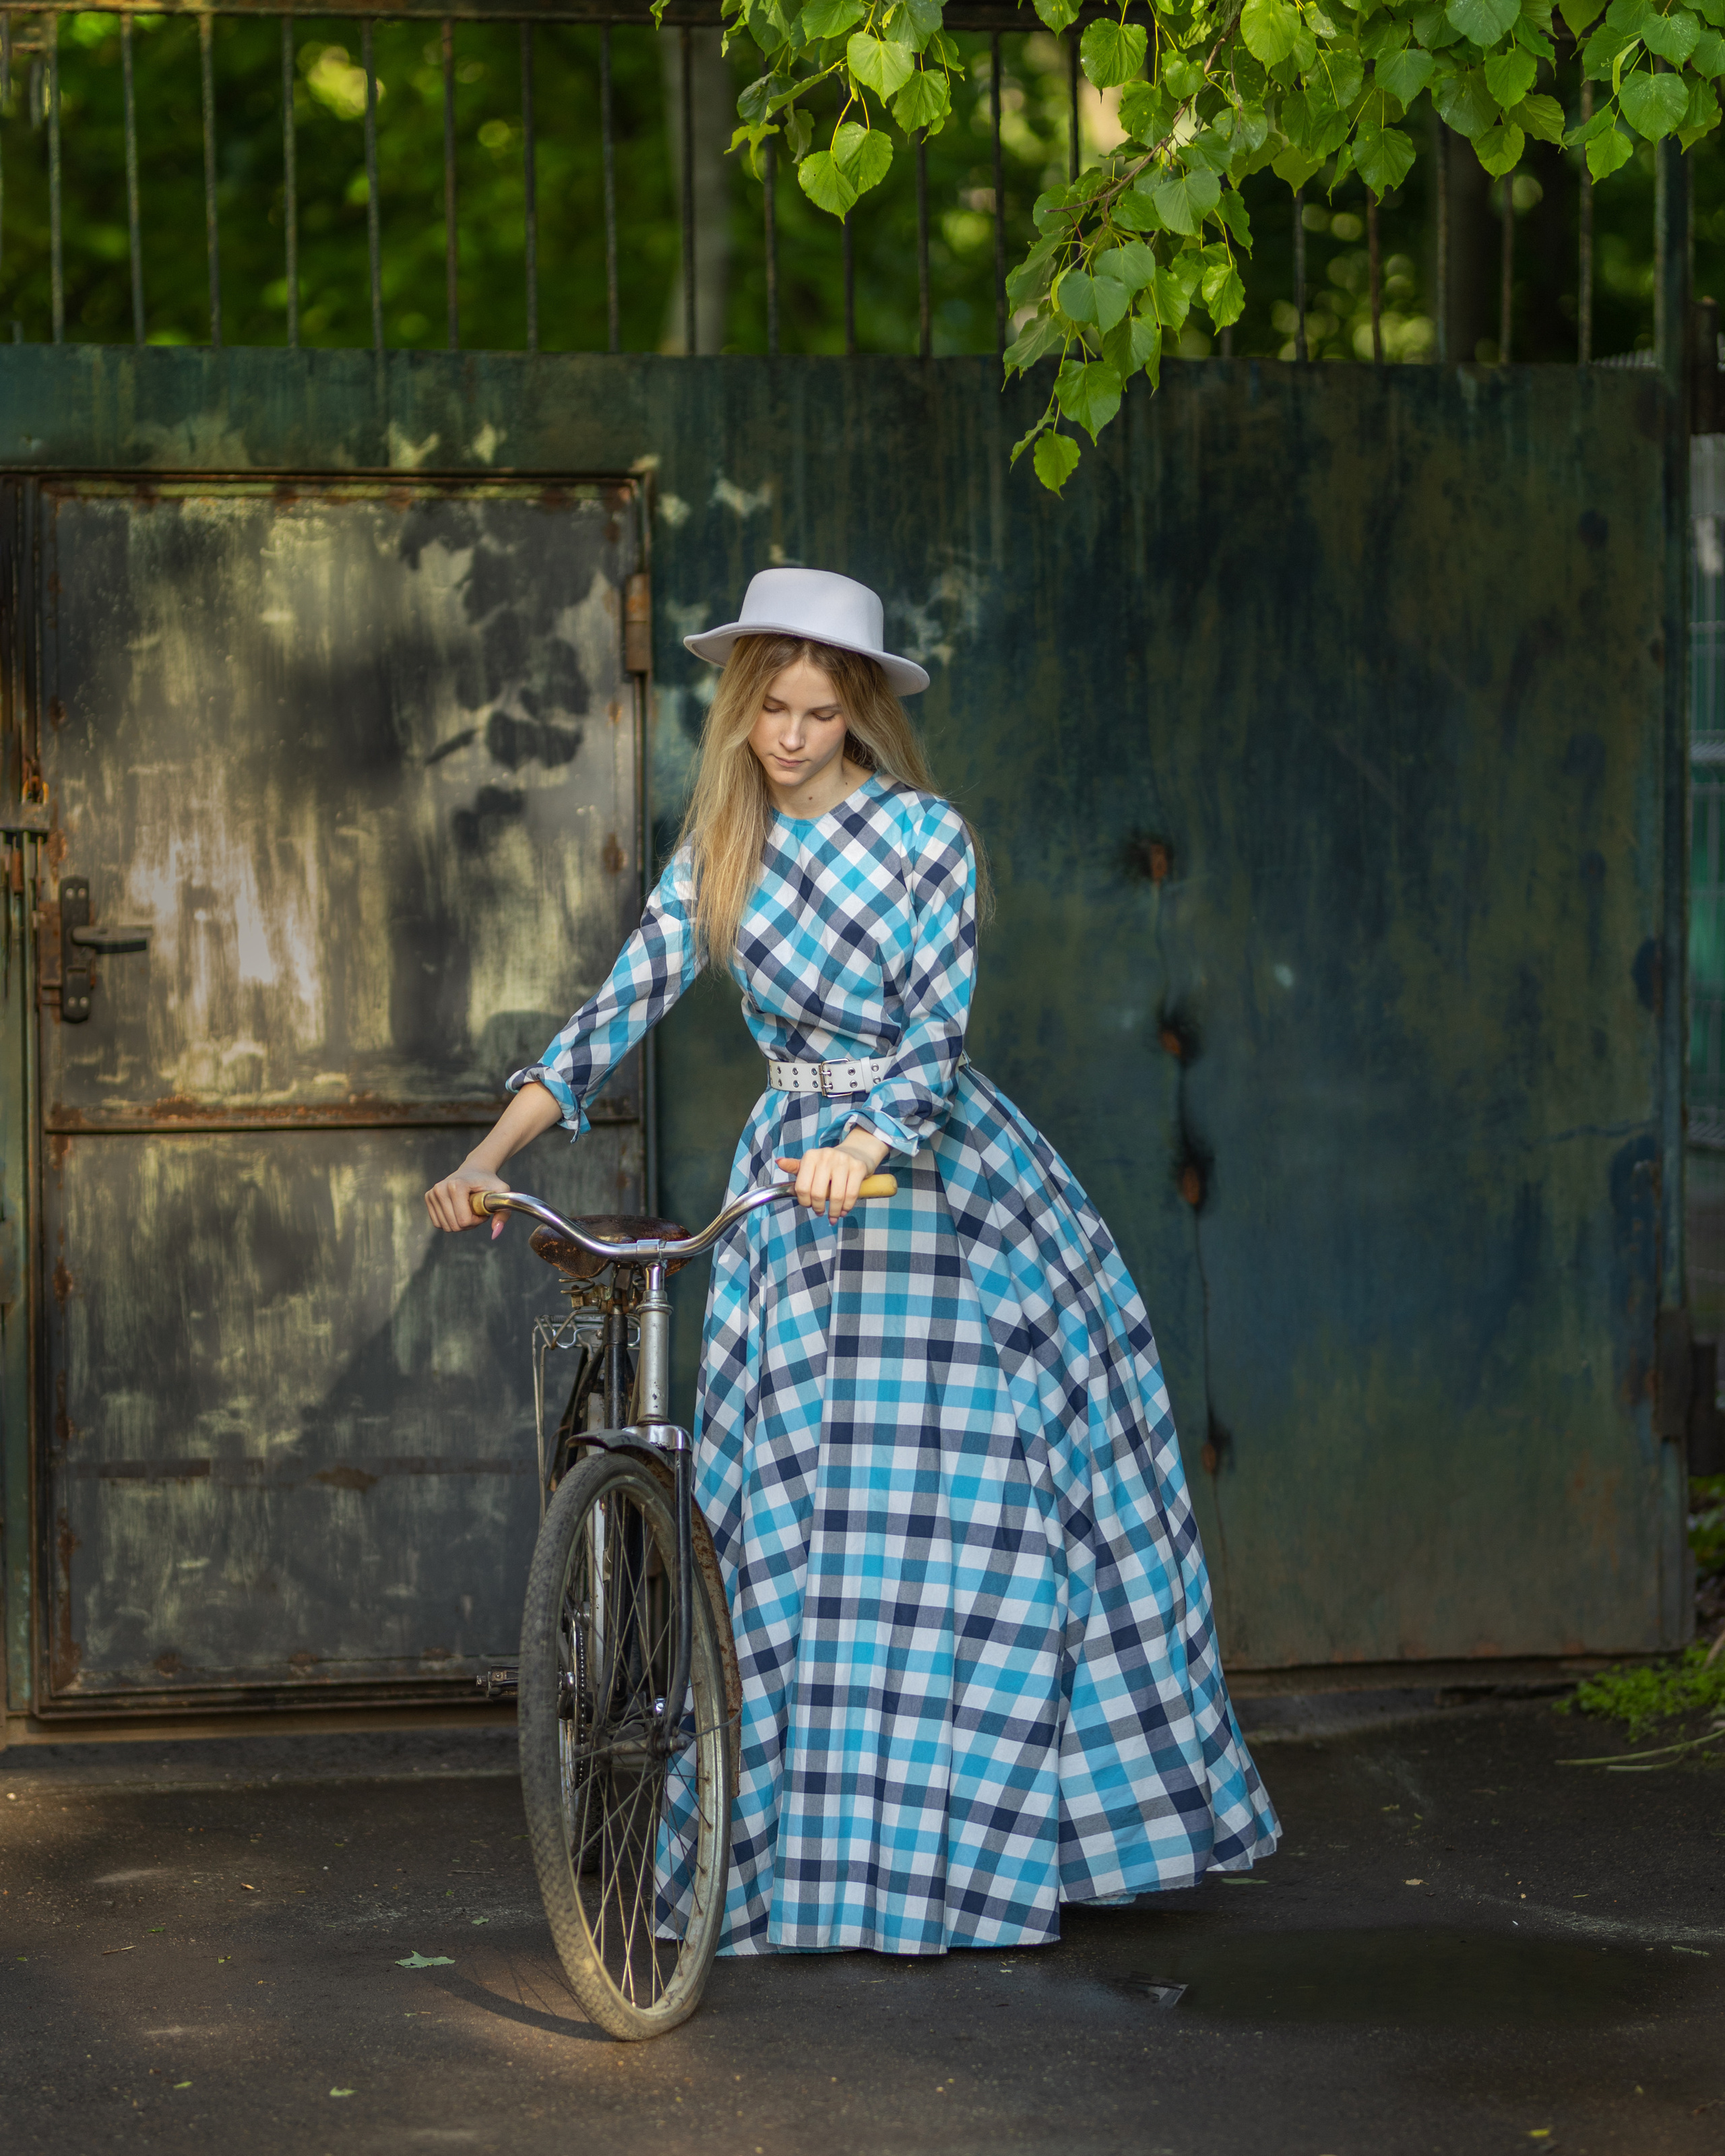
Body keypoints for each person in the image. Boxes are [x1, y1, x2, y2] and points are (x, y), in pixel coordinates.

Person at [425, 567, 1280, 1956]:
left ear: (862, 711)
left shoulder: (922, 838)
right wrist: (489, 1153)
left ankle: (967, 1862)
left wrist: (867, 1133)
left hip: (926, 1184)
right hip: (792, 1199)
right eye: (771, 708)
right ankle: (792, 1875)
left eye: (821, 711)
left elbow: (934, 1035)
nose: (791, 736)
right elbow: (609, 1015)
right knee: (786, 1537)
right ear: (741, 707)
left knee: (960, 1536)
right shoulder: (717, 850)